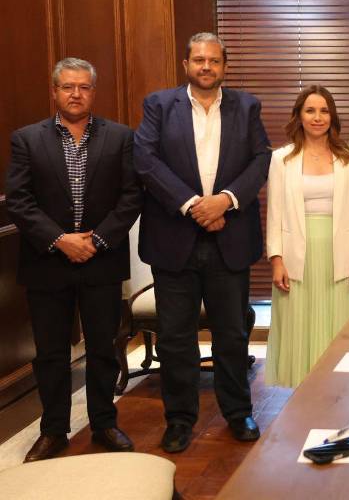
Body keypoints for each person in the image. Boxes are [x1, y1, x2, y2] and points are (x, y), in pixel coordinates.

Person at [134, 32, 271, 452]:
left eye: (214, 60)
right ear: (186, 64)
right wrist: (195, 205)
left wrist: (224, 201)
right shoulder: (159, 105)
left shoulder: (246, 106)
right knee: (176, 338)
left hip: (230, 236)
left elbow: (260, 159)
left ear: (224, 65)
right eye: (199, 60)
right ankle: (179, 420)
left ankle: (238, 412)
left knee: (232, 333)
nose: (206, 66)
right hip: (174, 239)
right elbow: (145, 160)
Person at [5, 58, 142, 462]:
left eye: (83, 87)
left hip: (102, 260)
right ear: (55, 92)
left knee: (102, 347)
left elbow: (132, 196)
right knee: (50, 353)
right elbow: (19, 200)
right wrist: (60, 240)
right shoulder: (27, 139)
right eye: (67, 87)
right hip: (47, 262)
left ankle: (104, 423)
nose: (76, 94)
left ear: (93, 92)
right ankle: (53, 430)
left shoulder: (120, 137)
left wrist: (96, 240)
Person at [264, 86, 349, 387]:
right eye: (310, 110)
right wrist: (276, 260)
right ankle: (304, 394)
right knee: (300, 325)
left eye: (324, 111)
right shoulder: (281, 159)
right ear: (299, 116)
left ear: (332, 116)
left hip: (341, 255)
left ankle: (339, 391)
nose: (317, 117)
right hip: (296, 257)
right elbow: (274, 213)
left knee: (340, 327)